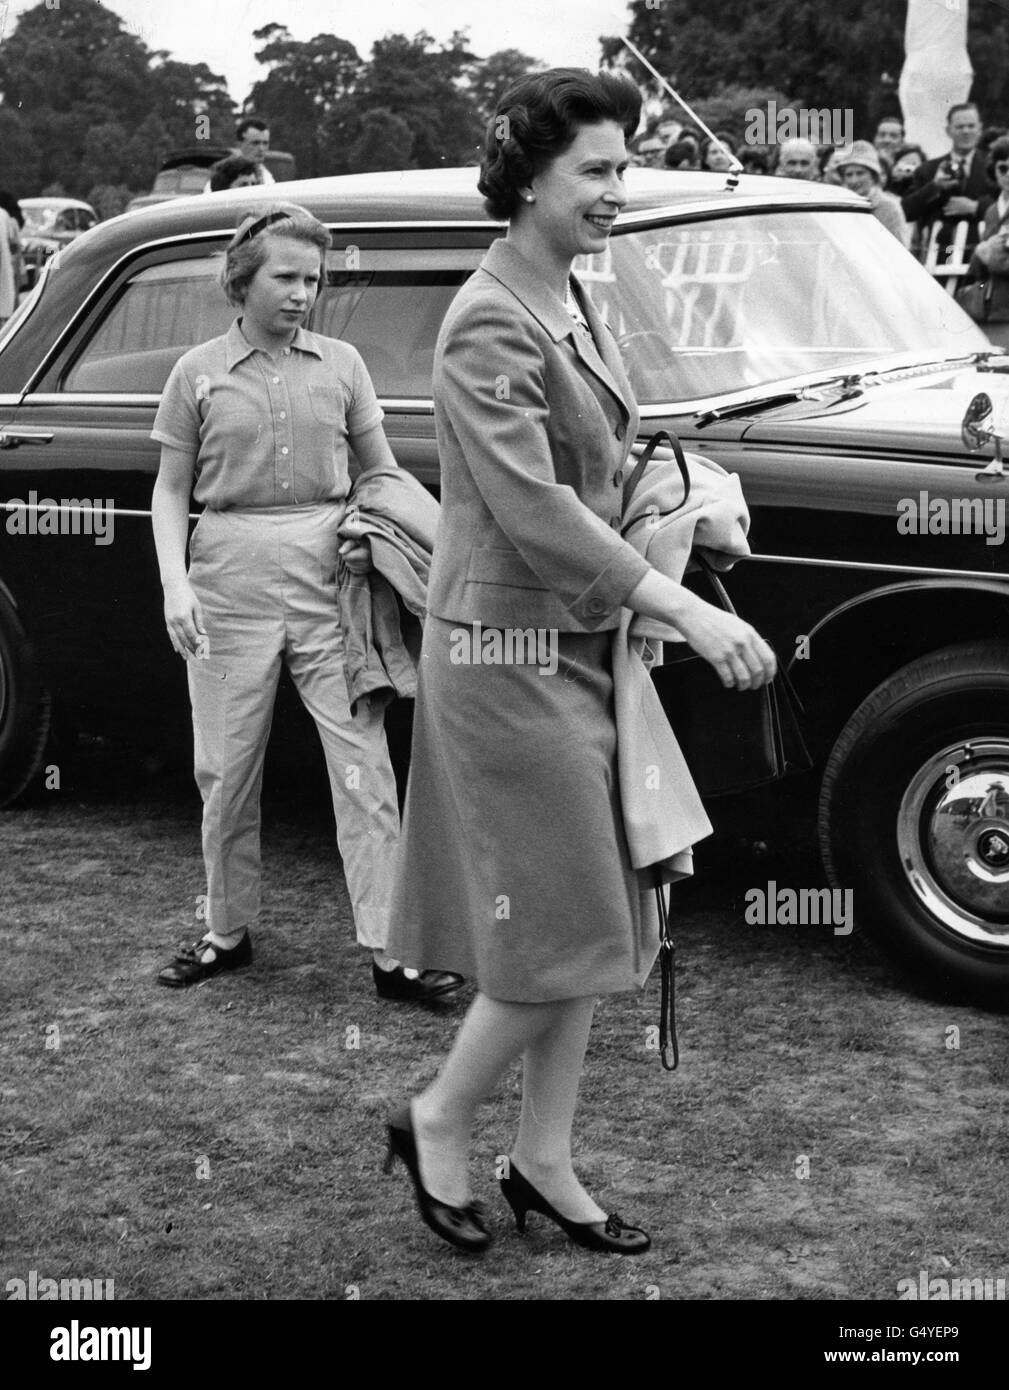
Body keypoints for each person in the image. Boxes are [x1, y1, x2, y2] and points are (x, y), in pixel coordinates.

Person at [381, 69, 776, 1255]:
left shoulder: (568, 296)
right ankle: (438, 1115)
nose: (618, 190)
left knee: (599, 920)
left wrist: (686, 500)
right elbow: (537, 509)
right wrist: (689, 614)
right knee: (561, 923)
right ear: (530, 179)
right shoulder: (491, 315)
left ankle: (542, 1155)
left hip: (579, 648)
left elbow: (603, 465)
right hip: (505, 656)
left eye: (623, 167)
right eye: (596, 171)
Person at [150, 202, 462, 1006]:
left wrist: (381, 533)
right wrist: (174, 586)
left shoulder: (344, 365)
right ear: (241, 281)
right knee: (225, 769)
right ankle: (226, 933)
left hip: (332, 585)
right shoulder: (196, 372)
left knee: (364, 764)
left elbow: (383, 473)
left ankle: (393, 952)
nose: (300, 293)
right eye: (285, 277)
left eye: (313, 279)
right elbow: (170, 490)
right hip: (226, 578)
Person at [902, 102, 991, 264]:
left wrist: (976, 207)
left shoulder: (995, 166)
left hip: (980, 259)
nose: (966, 131)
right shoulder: (927, 170)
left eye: (971, 126)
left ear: (980, 129)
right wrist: (934, 186)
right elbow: (906, 211)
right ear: (948, 131)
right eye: (960, 127)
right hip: (936, 258)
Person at [958, 135, 1009, 346]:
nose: (1008, 175)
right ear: (994, 171)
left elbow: (994, 260)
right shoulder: (991, 211)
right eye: (1003, 168)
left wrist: (990, 256)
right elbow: (977, 268)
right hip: (990, 307)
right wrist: (981, 253)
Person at [835, 141, 909, 247]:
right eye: (849, 174)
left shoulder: (889, 208)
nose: (854, 180)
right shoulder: (840, 206)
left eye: (860, 173)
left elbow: (900, 251)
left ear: (873, 176)